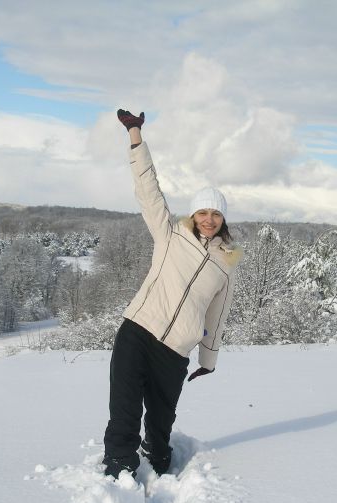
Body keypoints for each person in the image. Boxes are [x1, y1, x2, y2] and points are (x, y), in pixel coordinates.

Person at [102, 109, 243, 479]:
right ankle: (119, 467)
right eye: (202, 212)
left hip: (175, 350)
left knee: (161, 421)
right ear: (193, 214)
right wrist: (135, 135)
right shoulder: (169, 234)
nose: (208, 219)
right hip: (138, 331)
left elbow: (217, 317)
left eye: (216, 214)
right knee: (124, 409)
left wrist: (208, 360)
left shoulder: (226, 264)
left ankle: (158, 457)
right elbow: (148, 189)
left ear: (223, 219)